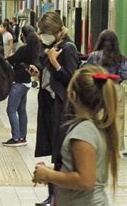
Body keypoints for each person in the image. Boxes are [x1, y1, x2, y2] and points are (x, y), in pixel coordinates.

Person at [32, 65, 119, 206]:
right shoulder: (95, 127)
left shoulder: (83, 133)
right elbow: (82, 169)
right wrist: (54, 172)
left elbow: (86, 180)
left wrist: (49, 175)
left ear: (72, 95)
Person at [28, 11, 79, 205]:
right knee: (53, 151)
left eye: (44, 31)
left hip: (63, 108)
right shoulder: (52, 46)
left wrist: (55, 63)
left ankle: (56, 197)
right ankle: (53, 196)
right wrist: (39, 72)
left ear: (56, 30)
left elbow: (73, 80)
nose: (41, 35)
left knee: (60, 153)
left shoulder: (69, 48)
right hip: (49, 105)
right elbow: (52, 77)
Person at [84, 30, 126, 156]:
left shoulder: (94, 56)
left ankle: (99, 145)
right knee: (117, 119)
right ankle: (114, 148)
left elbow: (85, 70)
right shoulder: (121, 58)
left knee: (98, 117)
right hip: (115, 89)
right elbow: (125, 74)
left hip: (98, 88)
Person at [3, 26, 39, 147]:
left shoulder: (24, 49)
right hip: (27, 82)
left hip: (18, 82)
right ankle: (22, 137)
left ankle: (16, 138)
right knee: (21, 110)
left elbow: (12, 60)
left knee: (11, 110)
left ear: (23, 35)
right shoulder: (35, 49)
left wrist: (6, 58)